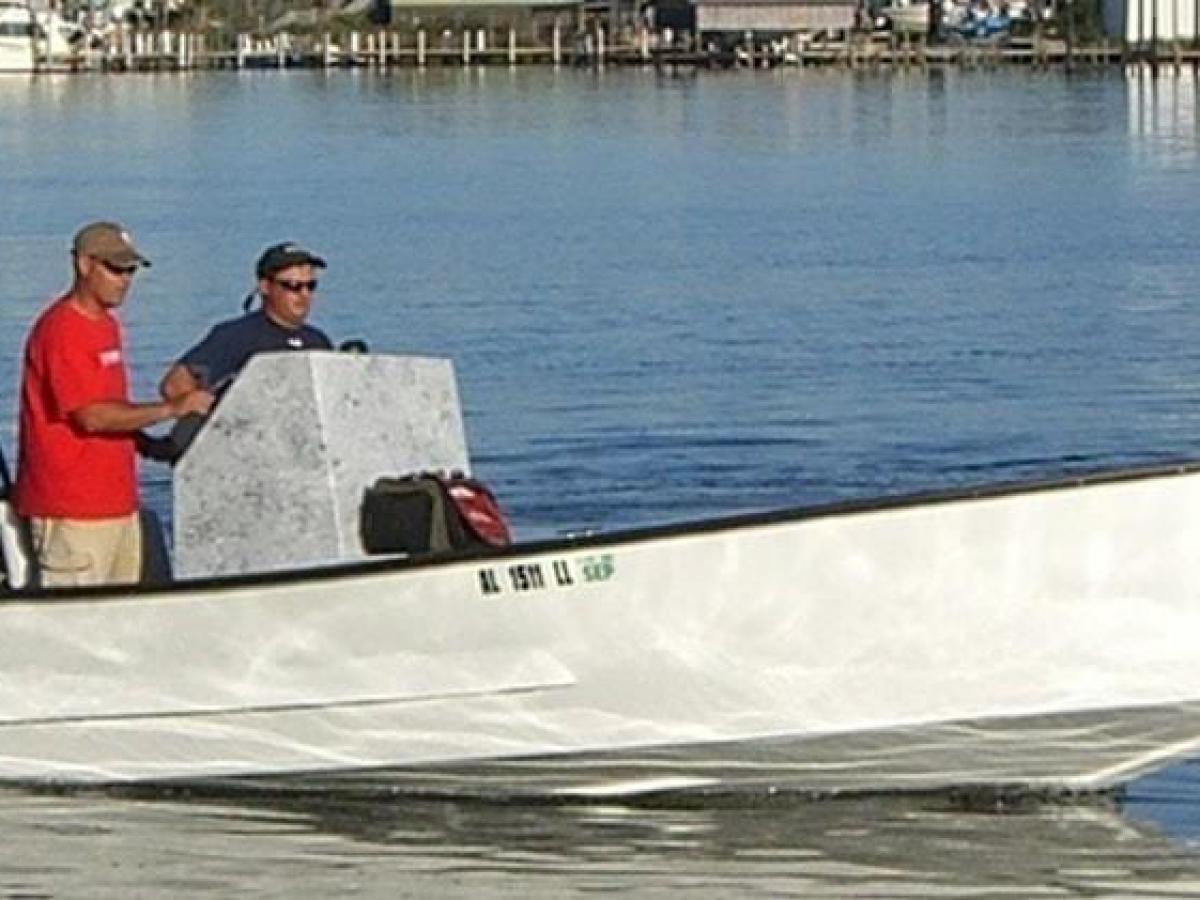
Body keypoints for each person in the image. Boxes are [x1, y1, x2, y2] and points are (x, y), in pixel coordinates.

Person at [14, 221, 215, 588]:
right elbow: (91, 416)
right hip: (72, 509)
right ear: (84, 265)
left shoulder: (106, 325)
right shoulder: (61, 330)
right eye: (115, 269)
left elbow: (112, 408)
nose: (125, 279)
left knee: (124, 616)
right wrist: (173, 408)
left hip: (117, 504)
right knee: (78, 623)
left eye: (130, 270)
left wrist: (151, 444)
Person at [159, 242, 333, 400]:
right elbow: (174, 387)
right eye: (293, 286)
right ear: (265, 287)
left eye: (310, 286)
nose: (304, 295)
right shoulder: (235, 336)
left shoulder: (318, 341)